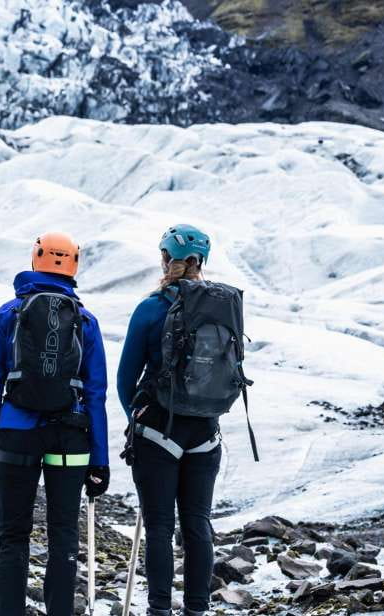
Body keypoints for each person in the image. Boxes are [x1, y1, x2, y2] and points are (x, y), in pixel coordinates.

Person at [117, 224, 249, 616]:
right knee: (197, 525)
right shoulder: (222, 307)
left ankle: (159, 610)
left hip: (158, 430)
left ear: (165, 258)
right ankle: (197, 610)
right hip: (205, 434)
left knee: (159, 527)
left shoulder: (151, 309)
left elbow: (125, 379)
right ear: (201, 261)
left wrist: (136, 420)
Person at [0, 231, 110, 616]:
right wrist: (99, 460)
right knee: (64, 537)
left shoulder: (9, 314)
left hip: (15, 436)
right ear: (73, 266)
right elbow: (96, 394)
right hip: (70, 439)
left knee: (12, 537)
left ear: (36, 259)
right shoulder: (85, 320)